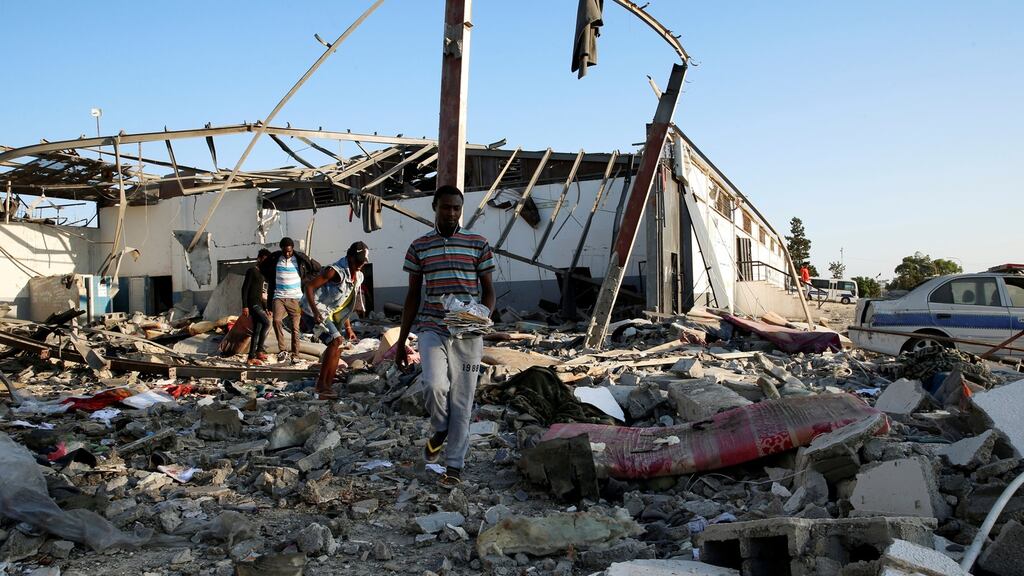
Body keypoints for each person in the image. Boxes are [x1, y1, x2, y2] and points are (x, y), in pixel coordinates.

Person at [396, 185, 495, 487]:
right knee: (434, 385)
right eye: (446, 207)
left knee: (463, 400)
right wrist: (401, 342)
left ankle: (454, 467)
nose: (451, 213)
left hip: (468, 333)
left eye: (456, 208)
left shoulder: (478, 244)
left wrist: (481, 316)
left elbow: (489, 292)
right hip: (432, 328)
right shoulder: (419, 246)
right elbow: (413, 296)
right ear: (435, 207)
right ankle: (439, 428)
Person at [301, 242, 369, 399]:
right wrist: (316, 312)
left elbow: (345, 304)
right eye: (358, 260)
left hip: (329, 312)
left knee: (339, 345)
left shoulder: (358, 277)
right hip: (312, 310)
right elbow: (309, 287)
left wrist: (349, 327)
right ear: (350, 257)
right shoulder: (334, 271)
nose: (360, 264)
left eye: (363, 261)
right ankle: (321, 386)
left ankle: (328, 385)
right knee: (335, 341)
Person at [260, 237, 318, 362]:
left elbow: (317, 269)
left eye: (290, 251)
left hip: (295, 298)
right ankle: (283, 350)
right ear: (281, 249)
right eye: (285, 251)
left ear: (293, 249)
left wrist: (306, 280)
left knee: (295, 329)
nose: (287, 254)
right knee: (276, 321)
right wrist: (270, 278)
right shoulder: (275, 258)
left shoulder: (300, 259)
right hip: (278, 297)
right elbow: (263, 267)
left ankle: (295, 355)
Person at [241, 249, 272, 366]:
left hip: (260, 304)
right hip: (252, 304)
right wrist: (244, 306)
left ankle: (251, 357)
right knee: (267, 323)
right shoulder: (252, 271)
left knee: (257, 331)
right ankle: (259, 351)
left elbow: (263, 294)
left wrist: (267, 308)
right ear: (259, 258)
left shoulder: (264, 275)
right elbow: (244, 289)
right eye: (264, 259)